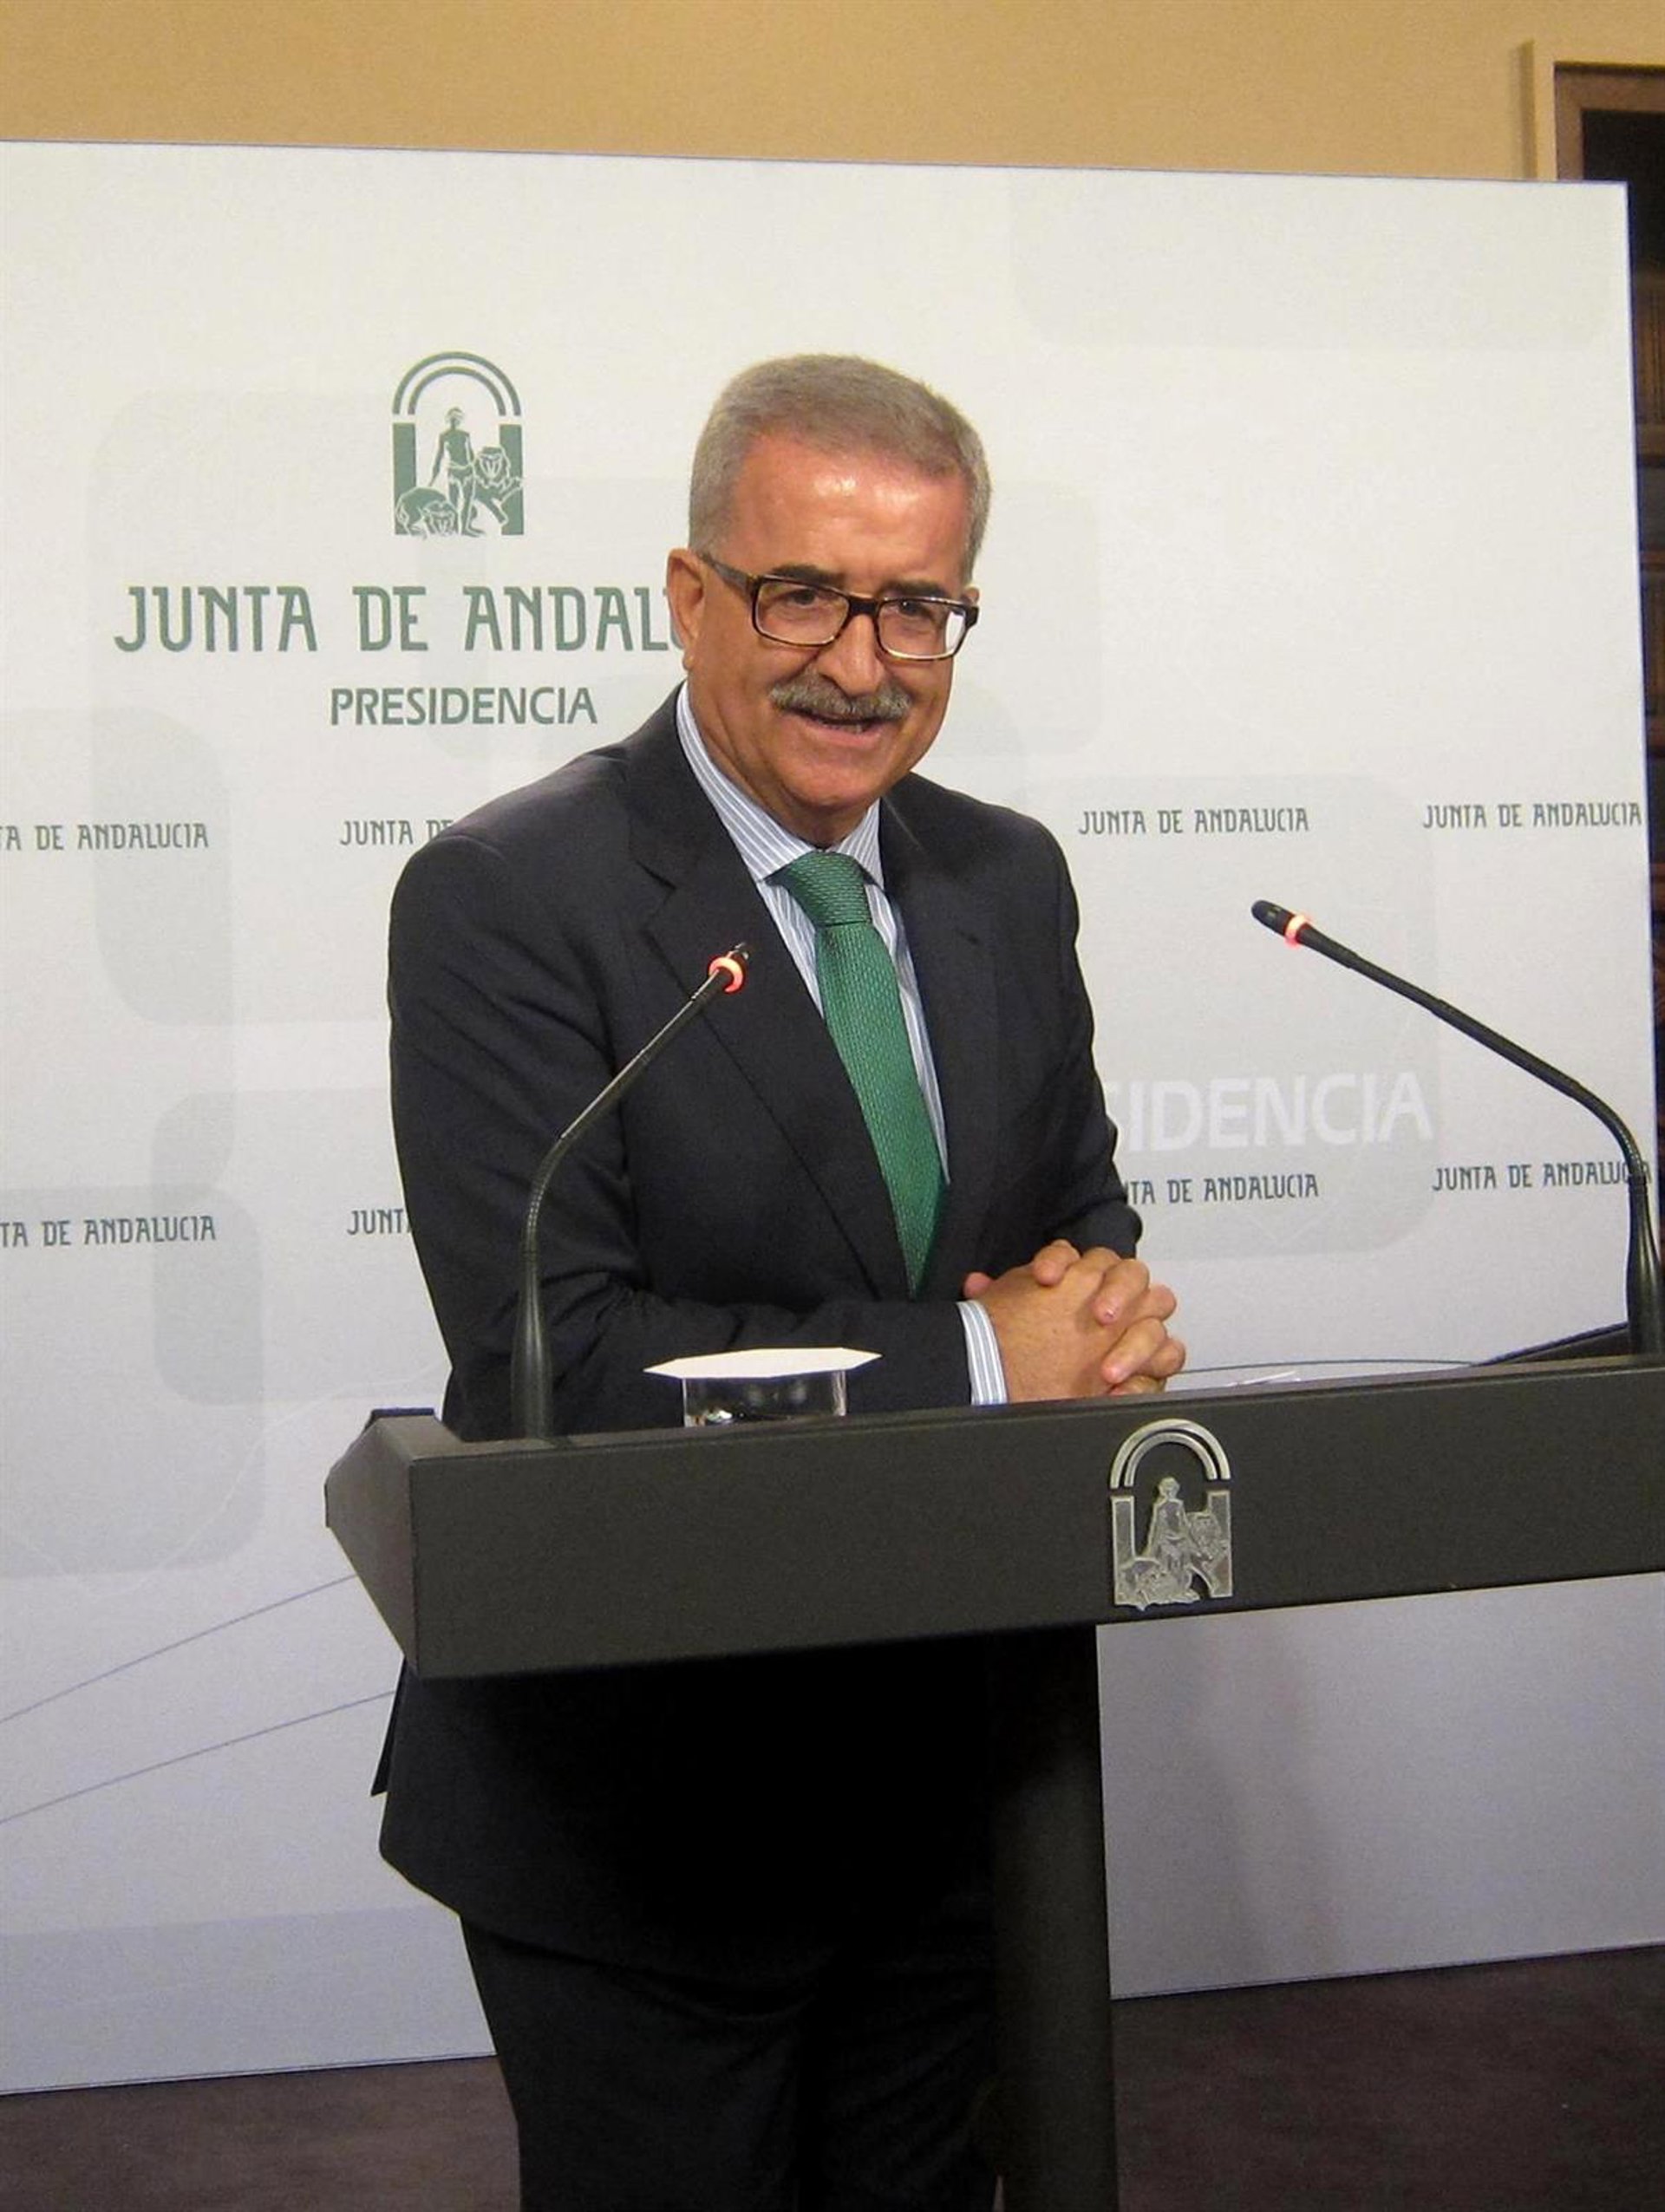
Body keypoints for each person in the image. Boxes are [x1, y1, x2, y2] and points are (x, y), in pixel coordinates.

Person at [377, 354, 1184, 2210]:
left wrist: (1086, 1321)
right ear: (691, 596)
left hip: (959, 1789)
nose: (862, 661)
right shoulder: (511, 896)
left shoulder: (1006, 878)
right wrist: (985, 1357)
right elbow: (556, 1365)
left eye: (918, 606)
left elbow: (1083, 1234)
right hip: (644, 1810)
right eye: (803, 594)